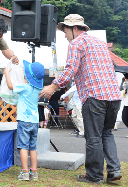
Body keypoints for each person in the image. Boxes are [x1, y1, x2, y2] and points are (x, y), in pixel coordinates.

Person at [39, 14, 122, 184]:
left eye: (65, 31)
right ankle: (114, 170)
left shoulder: (77, 43)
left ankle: (94, 175)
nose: (65, 35)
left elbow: (70, 70)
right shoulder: (99, 42)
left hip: (94, 96)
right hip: (114, 96)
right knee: (106, 133)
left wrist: (53, 86)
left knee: (93, 137)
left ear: (75, 28)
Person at [3, 60, 45, 181]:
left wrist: (6, 73)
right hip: (35, 122)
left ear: (27, 76)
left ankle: (25, 172)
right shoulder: (38, 89)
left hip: (24, 121)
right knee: (33, 147)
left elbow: (10, 86)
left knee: (23, 147)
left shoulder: (24, 87)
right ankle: (34, 172)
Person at [120, 73, 128, 138]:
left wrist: (126, 81)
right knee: (124, 118)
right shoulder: (125, 83)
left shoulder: (127, 84)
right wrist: (123, 81)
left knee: (125, 118)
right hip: (126, 104)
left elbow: (126, 86)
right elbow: (120, 88)